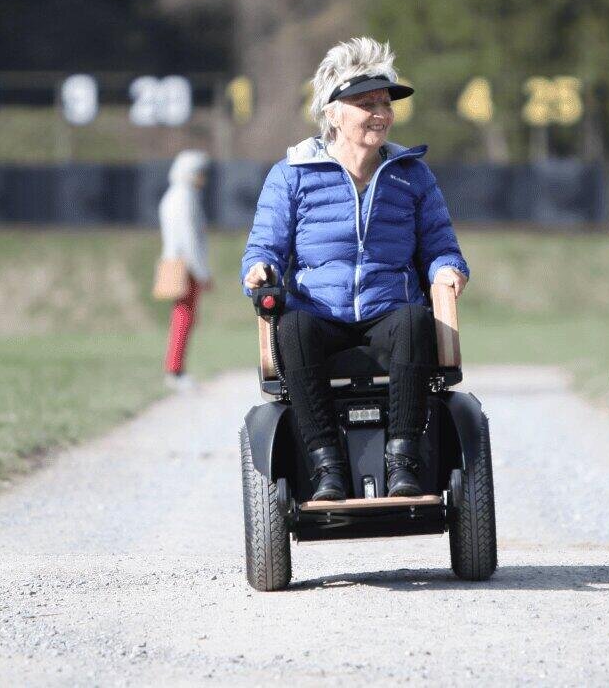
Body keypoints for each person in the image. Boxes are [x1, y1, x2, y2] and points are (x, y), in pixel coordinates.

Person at [242, 37, 469, 502]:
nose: (380, 113)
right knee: (293, 328)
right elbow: (263, 246)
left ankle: (404, 462)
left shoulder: (411, 173)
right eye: (366, 103)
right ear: (333, 113)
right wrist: (258, 269)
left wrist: (449, 271)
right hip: (320, 316)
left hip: (388, 312)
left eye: (385, 103)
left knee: (413, 321)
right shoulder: (293, 174)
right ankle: (326, 467)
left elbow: (442, 247)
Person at [159, 150, 212, 390]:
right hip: (184, 265)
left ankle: (176, 368)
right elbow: (189, 238)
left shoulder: (175, 195)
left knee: (183, 316)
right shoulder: (184, 197)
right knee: (184, 317)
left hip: (176, 261)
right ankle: (175, 370)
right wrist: (202, 272)